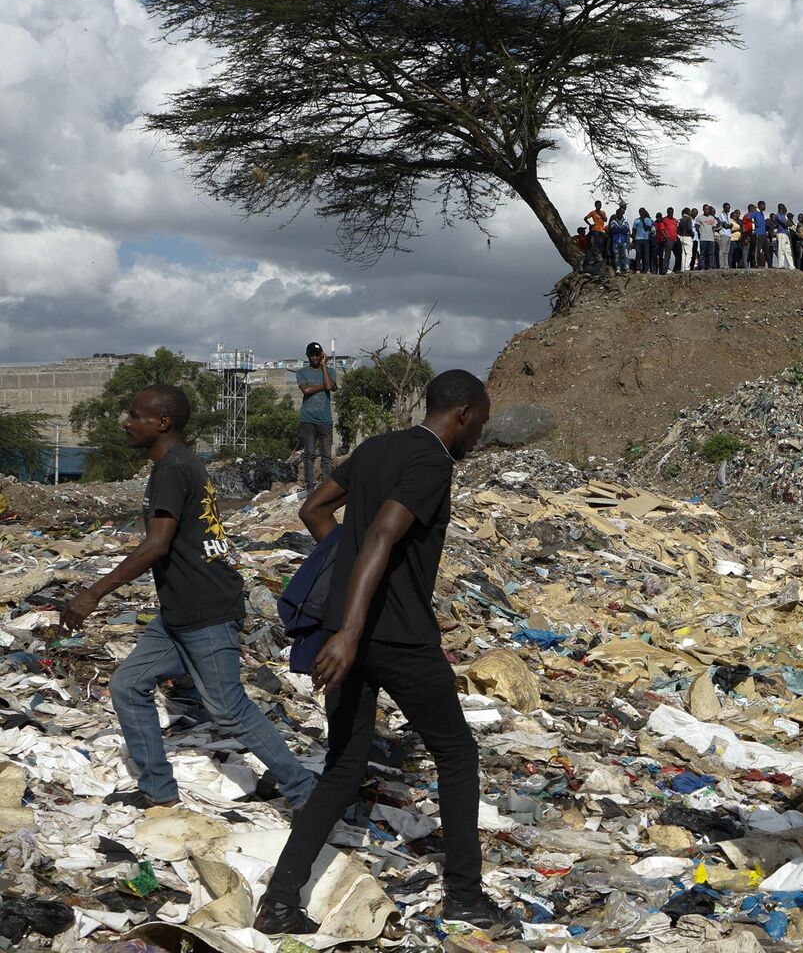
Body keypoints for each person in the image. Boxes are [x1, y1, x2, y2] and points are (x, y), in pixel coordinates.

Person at [253, 371, 507, 935]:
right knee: (458, 756)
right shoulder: (432, 462)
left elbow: (315, 510)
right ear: (463, 414)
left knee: (343, 767)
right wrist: (351, 630)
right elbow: (382, 536)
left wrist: (345, 600)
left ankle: (278, 901)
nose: (478, 436)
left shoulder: (375, 448)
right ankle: (465, 896)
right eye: (480, 424)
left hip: (350, 633)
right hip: (394, 637)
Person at [61, 384, 317, 811]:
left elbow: (156, 544)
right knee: (128, 685)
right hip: (178, 612)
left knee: (228, 708)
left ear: (161, 423)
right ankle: (158, 790)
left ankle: (306, 795)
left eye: (135, 415)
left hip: (205, 610)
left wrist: (92, 593)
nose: (126, 422)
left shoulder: (173, 469)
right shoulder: (178, 465)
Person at [295, 342, 337, 493]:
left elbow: (332, 386)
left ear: (322, 356)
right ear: (308, 356)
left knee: (326, 456)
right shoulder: (301, 372)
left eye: (317, 355)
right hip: (308, 420)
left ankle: (326, 488)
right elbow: (306, 390)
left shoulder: (330, 371)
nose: (315, 357)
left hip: (325, 420)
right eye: (312, 354)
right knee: (309, 455)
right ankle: (310, 488)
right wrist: (325, 386)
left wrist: (324, 366)